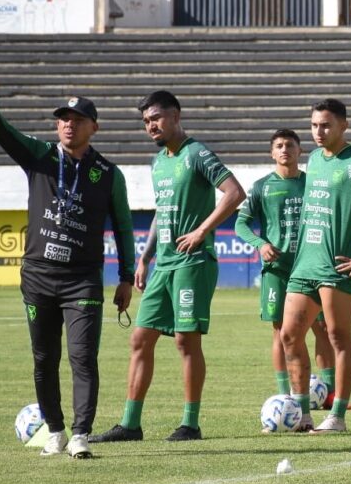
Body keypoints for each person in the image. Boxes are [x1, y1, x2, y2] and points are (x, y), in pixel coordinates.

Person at [0, 63, 135, 459]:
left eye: (77, 120)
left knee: (82, 357)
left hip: (83, 280)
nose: (68, 125)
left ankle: (81, 434)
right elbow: (3, 134)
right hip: (39, 276)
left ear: (93, 127)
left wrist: (127, 276)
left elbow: (124, 228)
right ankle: (56, 431)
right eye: (63, 119)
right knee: (44, 358)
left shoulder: (108, 174)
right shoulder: (41, 157)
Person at [90, 90, 245, 443]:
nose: (151, 126)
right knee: (140, 339)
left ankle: (190, 423)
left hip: (194, 262)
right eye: (146, 121)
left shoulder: (197, 153)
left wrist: (202, 231)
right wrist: (145, 257)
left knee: (185, 342)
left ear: (176, 115)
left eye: (156, 118)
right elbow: (164, 211)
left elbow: (235, 193)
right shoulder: (159, 161)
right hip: (164, 265)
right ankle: (130, 424)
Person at [279, 98, 351, 433]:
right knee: (289, 335)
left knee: (338, 336)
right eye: (314, 125)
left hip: (337, 266)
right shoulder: (313, 159)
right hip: (305, 265)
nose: (318, 131)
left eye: (326, 125)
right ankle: (302, 413)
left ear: (344, 125)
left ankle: (338, 415)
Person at [234, 130, 334, 431]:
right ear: (271, 153)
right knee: (281, 332)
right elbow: (241, 223)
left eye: (290, 145)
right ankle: (286, 395)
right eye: (279, 146)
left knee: (323, 328)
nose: (284, 149)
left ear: (300, 150)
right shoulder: (262, 187)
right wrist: (260, 244)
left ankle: (328, 394)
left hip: (311, 267)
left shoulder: (313, 183)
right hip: (278, 271)